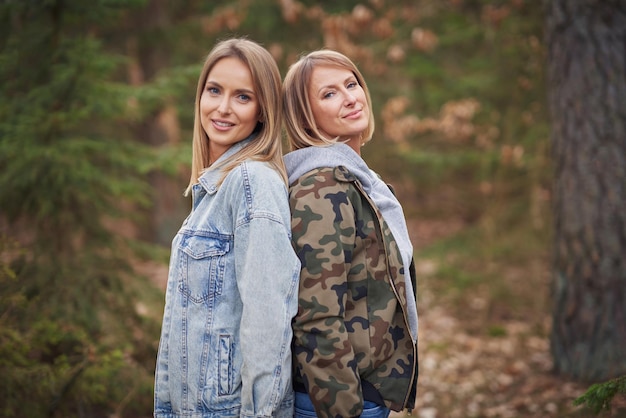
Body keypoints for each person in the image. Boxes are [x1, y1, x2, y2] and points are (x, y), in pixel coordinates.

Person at [153, 38, 300, 418]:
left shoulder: (252, 182)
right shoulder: (213, 189)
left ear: (263, 112)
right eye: (214, 90)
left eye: (243, 97)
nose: (222, 107)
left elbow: (268, 320)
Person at [282, 49, 419, 418]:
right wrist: (345, 409)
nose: (350, 98)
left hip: (359, 391)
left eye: (351, 84)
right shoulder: (323, 187)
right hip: (338, 399)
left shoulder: (356, 180)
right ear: (305, 116)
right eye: (329, 94)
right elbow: (315, 316)